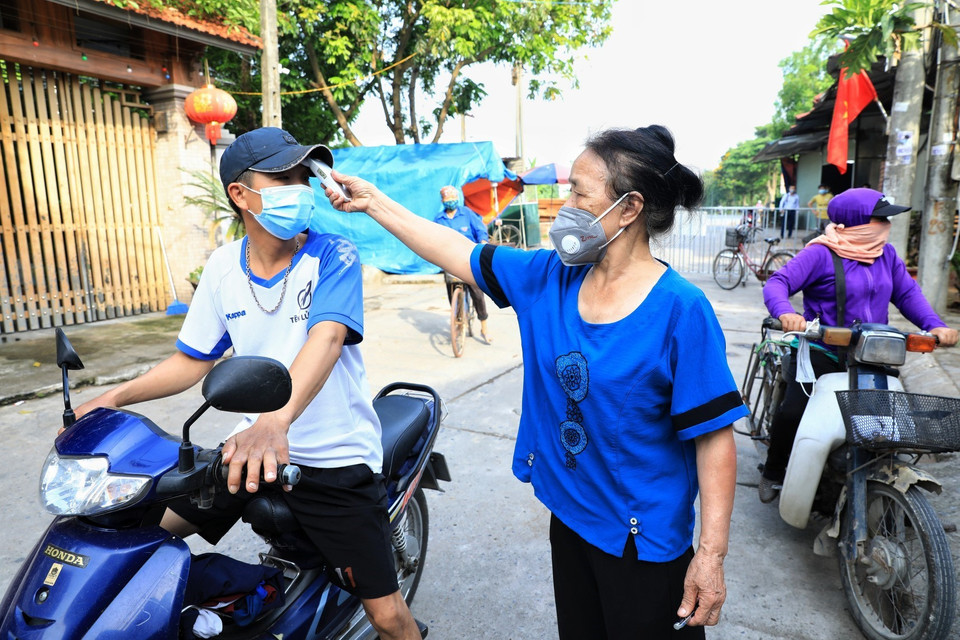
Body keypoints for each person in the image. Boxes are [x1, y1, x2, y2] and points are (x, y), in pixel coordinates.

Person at [323, 125, 747, 638]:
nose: (564, 204)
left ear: (630, 208)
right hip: (570, 517)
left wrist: (711, 555)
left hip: (640, 540)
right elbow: (455, 252)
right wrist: (375, 204)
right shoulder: (550, 277)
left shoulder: (681, 310)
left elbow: (714, 438)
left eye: (578, 192)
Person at [73, 127, 422, 640]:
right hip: (252, 450)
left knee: (387, 616)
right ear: (240, 193)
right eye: (283, 177)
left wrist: (274, 422)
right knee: (134, 538)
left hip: (333, 458)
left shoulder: (334, 255)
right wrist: (114, 398)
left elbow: (324, 341)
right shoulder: (220, 267)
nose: (300, 188)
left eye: (303, 176)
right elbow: (191, 361)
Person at [758, 187, 959, 503]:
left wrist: (934, 324)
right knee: (792, 413)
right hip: (822, 353)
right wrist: (785, 313)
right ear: (856, 222)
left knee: (882, 429)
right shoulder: (820, 253)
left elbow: (907, 294)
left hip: (870, 355)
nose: (885, 226)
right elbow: (777, 283)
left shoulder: (887, 255)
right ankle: (773, 473)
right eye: (880, 219)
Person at [433, 185, 492, 343]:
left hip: (468, 259)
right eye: (447, 200)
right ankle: (457, 316)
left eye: (453, 200)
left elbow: (480, 229)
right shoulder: (439, 219)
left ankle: (484, 326)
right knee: (452, 293)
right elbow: (432, 238)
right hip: (449, 261)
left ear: (457, 200)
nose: (450, 202)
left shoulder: (467, 214)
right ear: (442, 201)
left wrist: (483, 241)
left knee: (477, 293)